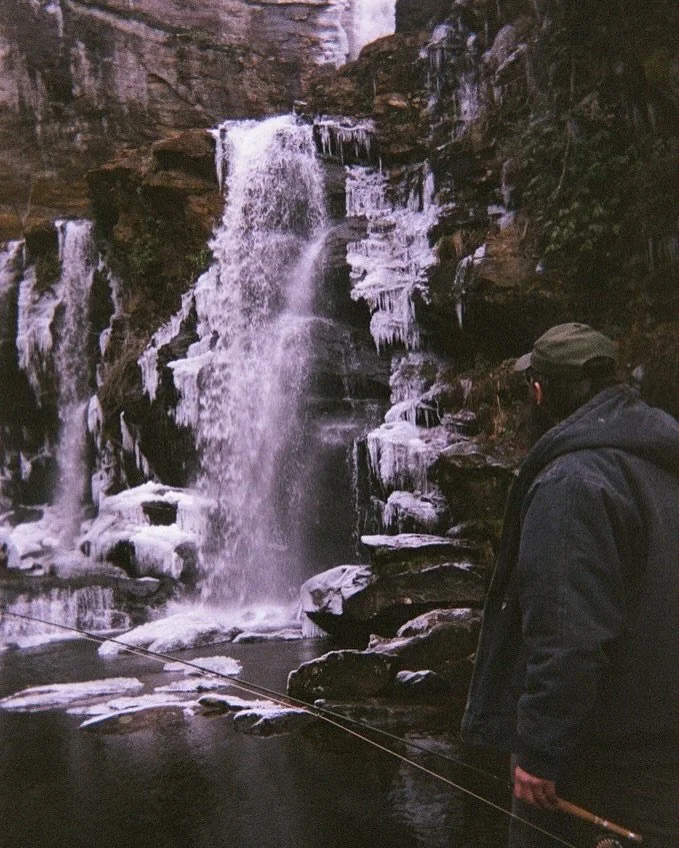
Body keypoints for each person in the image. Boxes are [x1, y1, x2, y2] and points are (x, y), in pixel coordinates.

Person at [461, 322, 679, 848]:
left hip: (600, 761)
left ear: (540, 392)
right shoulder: (662, 459)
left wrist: (538, 753)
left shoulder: (571, 484)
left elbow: (567, 636)